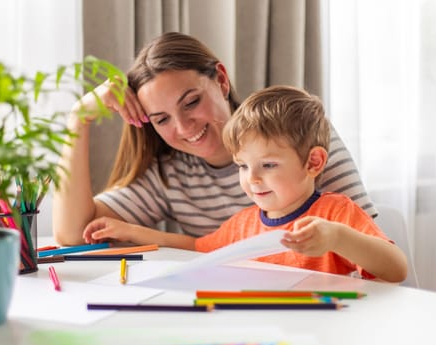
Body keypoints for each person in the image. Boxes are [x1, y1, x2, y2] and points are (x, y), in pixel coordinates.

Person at [53, 32, 377, 247]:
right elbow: (71, 235)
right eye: (162, 119)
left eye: (191, 102)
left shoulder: (296, 135)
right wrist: (77, 120)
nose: (182, 127)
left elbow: (371, 245)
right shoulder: (171, 173)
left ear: (221, 80)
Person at [83, 85, 408, 283]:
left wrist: (338, 238)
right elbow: (196, 247)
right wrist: (133, 232)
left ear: (313, 163)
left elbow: (396, 269)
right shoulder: (244, 224)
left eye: (268, 165)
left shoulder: (336, 213)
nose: (251, 179)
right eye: (242, 166)